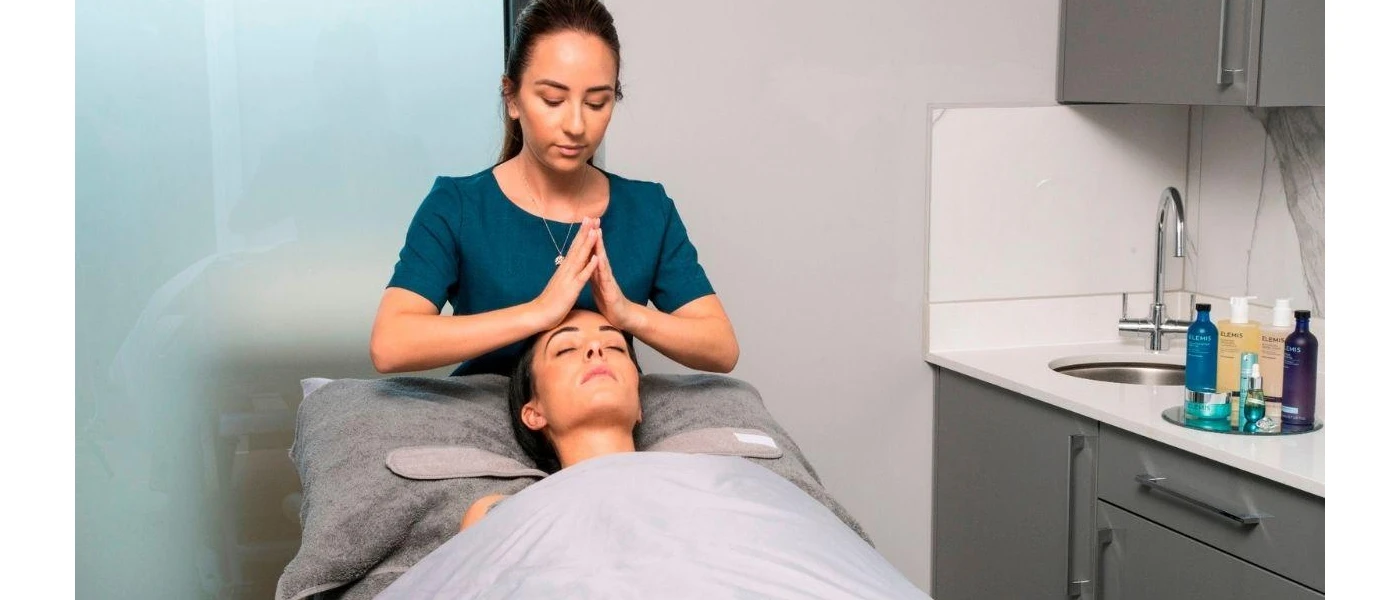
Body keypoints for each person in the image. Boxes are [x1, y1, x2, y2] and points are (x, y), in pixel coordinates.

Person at [377, 310, 928, 600]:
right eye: (566, 349)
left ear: (640, 403)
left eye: (614, 346)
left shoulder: (723, 481)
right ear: (533, 412)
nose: (596, 347)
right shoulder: (498, 511)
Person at [370, 0, 738, 378]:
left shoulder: (647, 210)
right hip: (485, 412)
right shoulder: (458, 206)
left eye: (596, 103)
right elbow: (391, 344)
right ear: (511, 97)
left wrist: (626, 313)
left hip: (600, 412)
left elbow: (721, 348)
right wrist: (539, 312)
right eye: (553, 100)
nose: (576, 125)